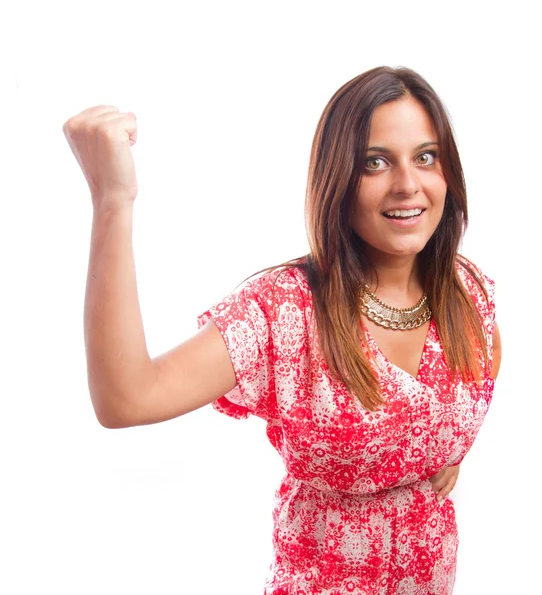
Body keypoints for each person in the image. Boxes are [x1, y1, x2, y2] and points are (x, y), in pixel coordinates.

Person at [63, 66, 502, 595]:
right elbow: (126, 398)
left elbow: (479, 374)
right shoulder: (286, 311)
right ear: (337, 177)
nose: (408, 184)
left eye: (425, 157)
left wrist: (448, 449)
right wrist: (112, 198)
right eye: (375, 162)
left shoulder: (466, 290)